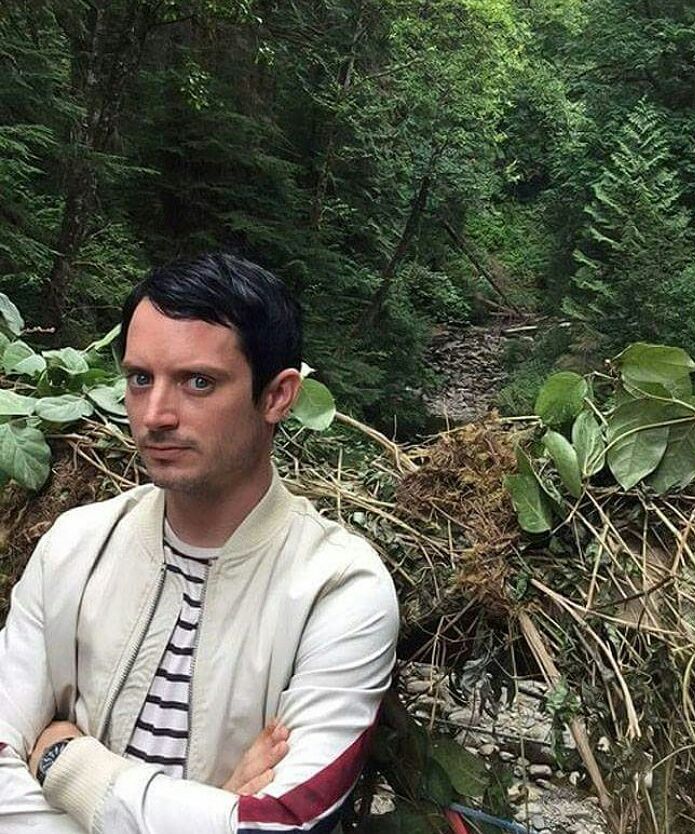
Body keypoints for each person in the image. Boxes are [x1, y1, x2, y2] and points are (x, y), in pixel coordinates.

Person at [0, 253, 399, 833]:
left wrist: (66, 760)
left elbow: (279, 826)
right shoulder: (75, 547)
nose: (155, 415)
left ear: (278, 396)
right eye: (141, 379)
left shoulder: (338, 591)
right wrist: (212, 810)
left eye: (198, 382)